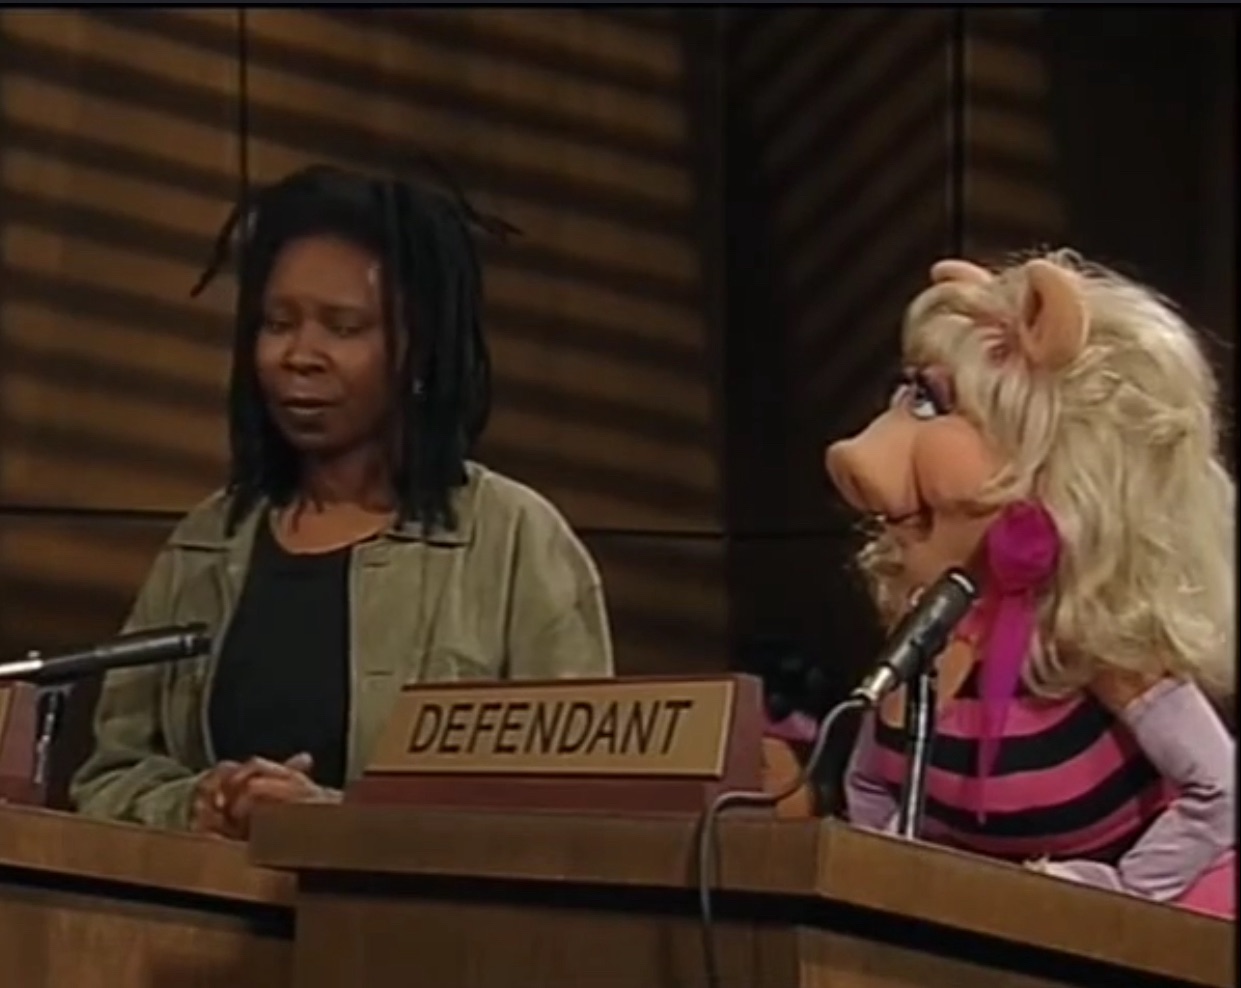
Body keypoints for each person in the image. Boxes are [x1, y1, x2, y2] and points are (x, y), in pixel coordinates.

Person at [70, 165, 614, 838]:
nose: (299, 355)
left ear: (418, 349)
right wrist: (200, 804)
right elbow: (110, 775)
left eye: (343, 327)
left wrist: (333, 823)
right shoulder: (208, 539)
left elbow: (575, 812)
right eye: (278, 323)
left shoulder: (515, 541)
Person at [825, 251, 1235, 917]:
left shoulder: (1092, 641)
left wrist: (1121, 894)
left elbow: (1220, 791)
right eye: (910, 395)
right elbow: (871, 786)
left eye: (933, 405)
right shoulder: (934, 630)